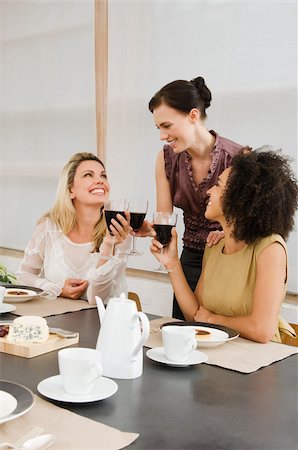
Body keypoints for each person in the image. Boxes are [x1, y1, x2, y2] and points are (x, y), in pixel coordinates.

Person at [151, 148, 298, 343]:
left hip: (258, 363)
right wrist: (172, 264)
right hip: (219, 355)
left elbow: (261, 330)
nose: (210, 191)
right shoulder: (214, 245)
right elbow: (194, 315)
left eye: (218, 185)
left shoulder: (270, 249)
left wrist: (212, 319)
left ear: (240, 198)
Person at [148, 76, 249, 320]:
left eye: (167, 125)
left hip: (229, 259)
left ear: (193, 116)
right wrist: (150, 230)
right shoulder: (166, 159)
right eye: (158, 128)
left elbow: (255, 223)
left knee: (220, 337)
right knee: (181, 332)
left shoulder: (239, 158)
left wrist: (228, 234)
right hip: (189, 259)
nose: (162, 136)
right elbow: (165, 219)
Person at [16, 152, 131, 304]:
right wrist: (56, 289)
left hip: (104, 323)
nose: (100, 181)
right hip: (57, 322)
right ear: (71, 190)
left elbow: (96, 299)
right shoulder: (48, 227)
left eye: (103, 176)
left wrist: (109, 245)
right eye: (89, 175)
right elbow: (24, 275)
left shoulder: (119, 231)